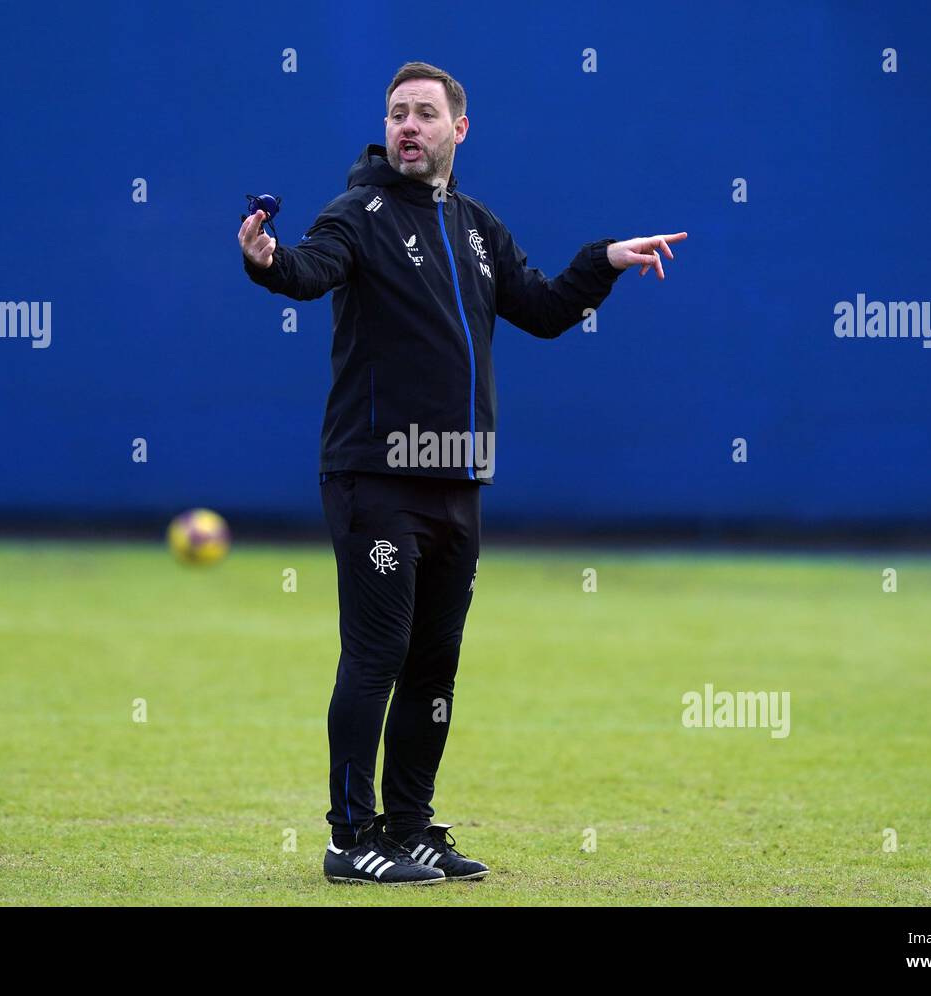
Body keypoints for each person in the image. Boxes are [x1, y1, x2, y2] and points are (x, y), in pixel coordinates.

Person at [239, 61, 687, 885]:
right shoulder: (359, 214)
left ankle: (409, 826)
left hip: (457, 481)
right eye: (397, 113)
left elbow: (545, 311)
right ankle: (349, 838)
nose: (407, 126)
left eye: (424, 114)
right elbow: (308, 270)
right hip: (376, 477)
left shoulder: (477, 225)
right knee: (376, 656)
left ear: (458, 129)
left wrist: (606, 261)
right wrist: (266, 259)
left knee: (434, 664)